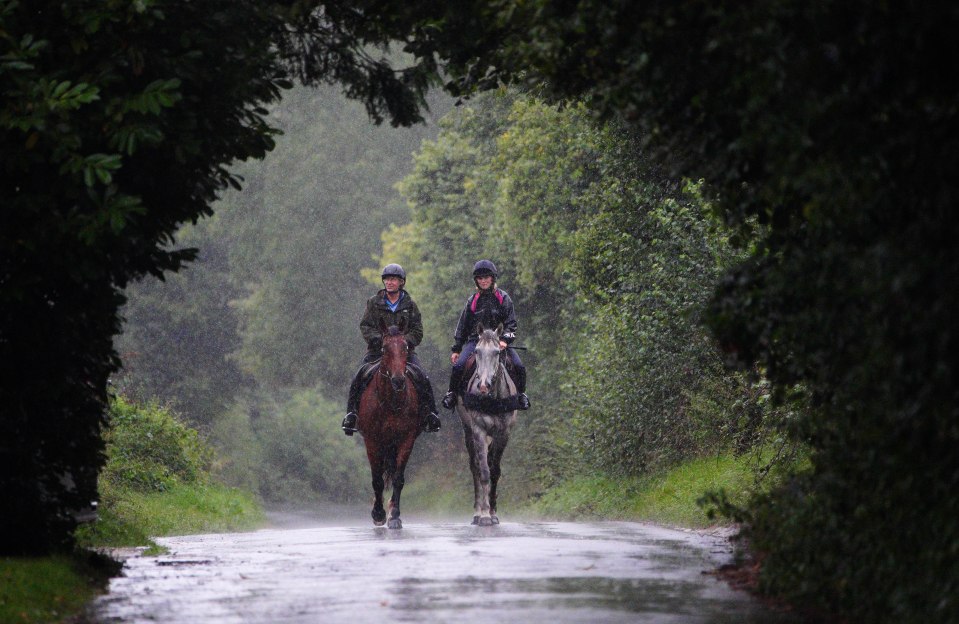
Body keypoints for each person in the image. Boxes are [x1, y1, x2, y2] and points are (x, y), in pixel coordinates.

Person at [341, 264, 442, 435]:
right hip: (377, 351)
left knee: (423, 377)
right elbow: (365, 326)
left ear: (401, 282)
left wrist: (402, 342)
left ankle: (430, 414)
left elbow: (418, 330)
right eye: (387, 279)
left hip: (404, 353)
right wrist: (380, 341)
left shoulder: (410, 305)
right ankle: (351, 415)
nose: (389, 282)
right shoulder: (374, 303)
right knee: (358, 376)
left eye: (393, 279)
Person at [441, 260, 530, 410]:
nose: (483, 281)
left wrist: (504, 340)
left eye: (486, 277)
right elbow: (463, 326)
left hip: (498, 342)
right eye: (480, 278)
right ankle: (452, 394)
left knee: (519, 366)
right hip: (476, 342)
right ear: (476, 280)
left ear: (493, 278)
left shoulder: (504, 298)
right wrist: (456, 349)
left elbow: (511, 324)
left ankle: (521, 395)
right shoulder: (473, 301)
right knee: (459, 366)